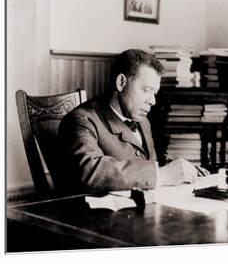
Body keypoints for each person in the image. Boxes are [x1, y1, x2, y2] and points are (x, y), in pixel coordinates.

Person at [58, 49, 202, 193]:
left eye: (155, 92)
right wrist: (162, 175)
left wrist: (181, 170)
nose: (153, 101)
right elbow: (89, 171)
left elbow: (146, 165)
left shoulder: (143, 121)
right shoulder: (82, 120)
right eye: (146, 90)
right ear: (121, 82)